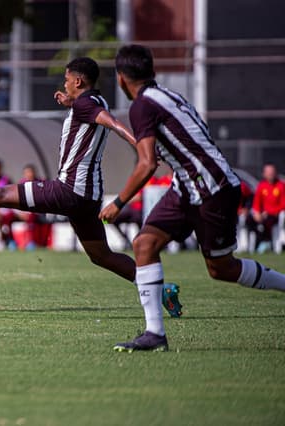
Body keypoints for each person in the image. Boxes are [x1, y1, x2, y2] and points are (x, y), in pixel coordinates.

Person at [0, 57, 182, 317]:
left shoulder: (87, 104)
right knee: (101, 255)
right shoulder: (92, 101)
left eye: (66, 80)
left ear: (77, 81)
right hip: (88, 196)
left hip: (69, 190)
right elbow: (91, 114)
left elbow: (112, 123)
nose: (63, 85)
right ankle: (161, 290)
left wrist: (142, 146)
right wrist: (69, 103)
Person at [98, 44, 285, 352]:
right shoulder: (169, 96)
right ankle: (154, 334)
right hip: (188, 187)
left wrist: (118, 203)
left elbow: (147, 163)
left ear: (120, 78)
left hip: (212, 189)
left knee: (221, 269)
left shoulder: (142, 105)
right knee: (144, 244)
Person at [249, 163, 285, 253]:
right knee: (249, 220)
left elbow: (283, 205)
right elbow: (256, 203)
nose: (270, 174)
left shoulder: (281, 185)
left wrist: (269, 212)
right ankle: (252, 246)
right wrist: (257, 213)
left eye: (272, 172)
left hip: (275, 215)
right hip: (263, 215)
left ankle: (273, 245)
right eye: (268, 172)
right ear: (264, 174)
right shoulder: (262, 186)